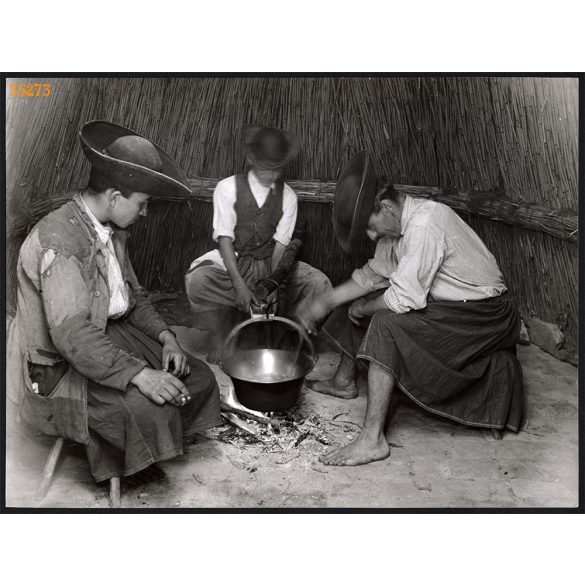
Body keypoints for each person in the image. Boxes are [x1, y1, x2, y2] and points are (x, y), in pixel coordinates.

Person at [6, 120, 221, 486]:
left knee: (199, 378)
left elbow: (133, 299)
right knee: (150, 404)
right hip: (56, 364)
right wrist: (140, 374)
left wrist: (167, 338)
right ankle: (133, 450)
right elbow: (73, 335)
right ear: (115, 196)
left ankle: (147, 442)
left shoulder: (113, 232)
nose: (145, 213)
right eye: (143, 204)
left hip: (107, 335)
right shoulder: (61, 240)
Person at [297, 154, 524, 467]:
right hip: (455, 305)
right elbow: (372, 276)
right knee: (356, 300)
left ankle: (372, 439)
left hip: (485, 315)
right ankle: (343, 382)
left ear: (388, 207)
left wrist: (365, 308)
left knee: (385, 324)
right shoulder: (398, 227)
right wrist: (325, 302)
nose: (372, 236)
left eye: (371, 227)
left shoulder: (424, 224)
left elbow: (401, 299)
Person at [185, 126, 331, 363]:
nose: (271, 175)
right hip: (234, 260)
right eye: (266, 167)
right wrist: (239, 285)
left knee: (319, 284)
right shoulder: (227, 188)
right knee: (197, 282)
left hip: (270, 262)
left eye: (277, 169)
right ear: (252, 159)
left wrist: (272, 284)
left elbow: (280, 248)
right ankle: (223, 334)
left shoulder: (288, 197)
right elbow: (224, 240)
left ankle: (284, 337)